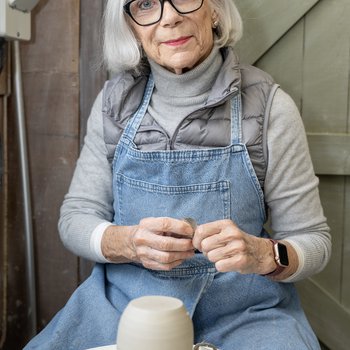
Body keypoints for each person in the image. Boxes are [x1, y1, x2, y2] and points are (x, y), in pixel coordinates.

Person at [25, 0, 331, 349]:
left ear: (214, 10)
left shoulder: (269, 108)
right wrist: (128, 243)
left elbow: (313, 239)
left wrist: (264, 255)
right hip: (124, 307)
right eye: (145, 4)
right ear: (131, 26)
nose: (169, 18)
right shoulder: (114, 104)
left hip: (246, 314)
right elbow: (75, 218)